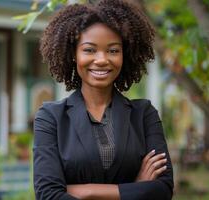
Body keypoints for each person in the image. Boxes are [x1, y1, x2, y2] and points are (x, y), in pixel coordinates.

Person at [33, 0, 174, 199]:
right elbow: (48, 194)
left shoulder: (144, 114)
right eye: (89, 49)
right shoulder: (51, 117)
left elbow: (163, 189)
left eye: (113, 50)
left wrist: (86, 191)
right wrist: (135, 188)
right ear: (74, 54)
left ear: (125, 55)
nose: (101, 59)